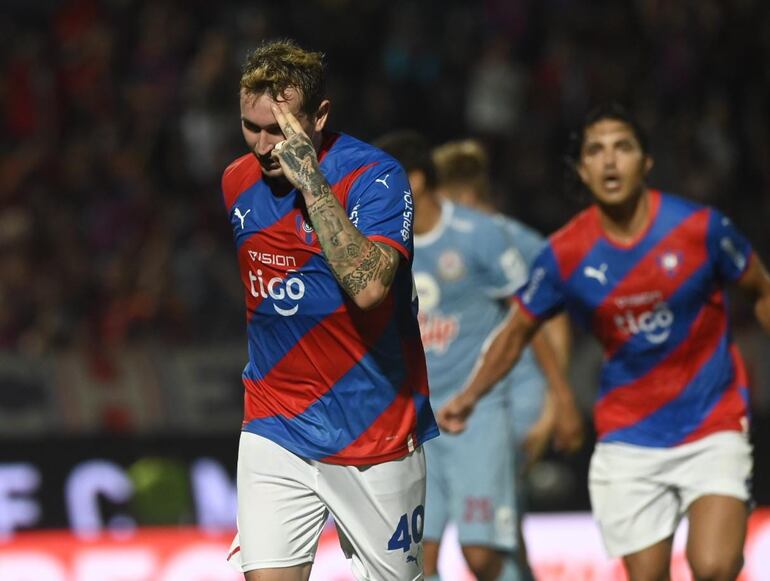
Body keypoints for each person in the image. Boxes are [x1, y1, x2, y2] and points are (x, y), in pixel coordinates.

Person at [438, 103, 770, 581]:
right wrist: (468, 398)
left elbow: (760, 290)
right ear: (581, 169)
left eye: (623, 147)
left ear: (646, 162)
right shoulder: (564, 254)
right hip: (629, 435)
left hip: (711, 421)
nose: (610, 160)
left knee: (714, 566)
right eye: (596, 150)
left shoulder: (700, 229)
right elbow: (515, 334)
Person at [221, 40, 439, 581]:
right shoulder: (235, 182)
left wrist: (311, 183)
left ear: (319, 115)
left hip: (375, 431)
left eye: (280, 128)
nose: (266, 146)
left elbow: (368, 290)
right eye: (253, 128)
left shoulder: (376, 177)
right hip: (277, 423)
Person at [375, 131, 583, 581]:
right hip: (415, 419)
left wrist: (558, 401)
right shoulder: (379, 249)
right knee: (418, 556)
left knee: (484, 554)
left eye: (379, 179)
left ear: (414, 180)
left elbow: (537, 316)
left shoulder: (484, 235)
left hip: (479, 411)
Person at [432, 138, 575, 579]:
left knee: (489, 531)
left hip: (514, 396)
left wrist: (553, 401)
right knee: (494, 522)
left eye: (455, 200)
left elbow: (550, 319)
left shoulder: (518, 241)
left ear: (473, 196)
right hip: (457, 400)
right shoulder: (431, 241)